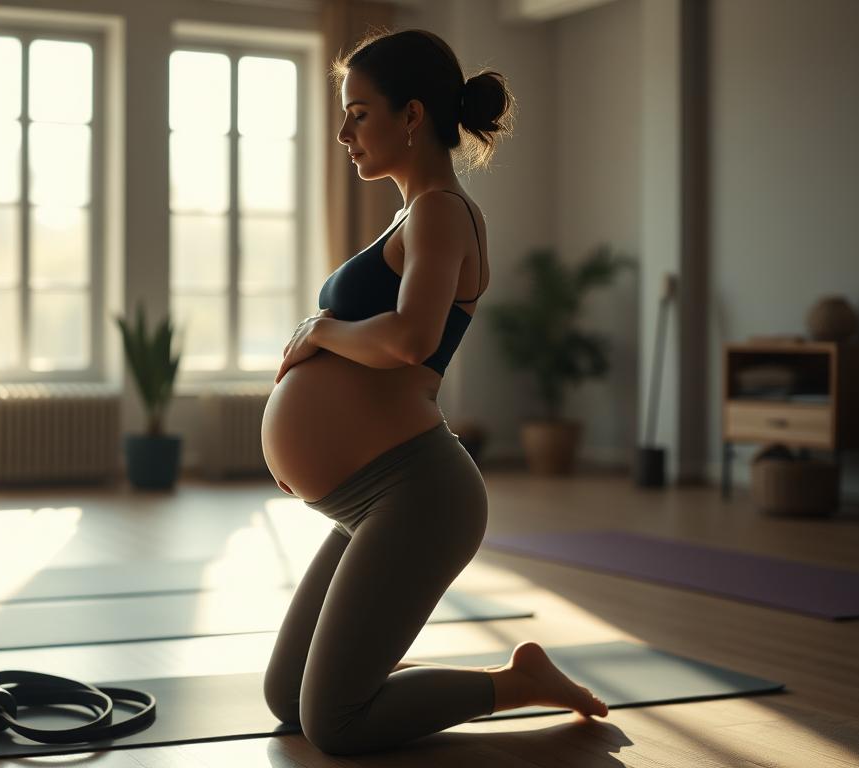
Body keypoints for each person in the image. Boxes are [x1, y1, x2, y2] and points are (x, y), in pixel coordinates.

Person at [259, 29, 608, 756]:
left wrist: (322, 331)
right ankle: (357, 669)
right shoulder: (410, 214)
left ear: (411, 116)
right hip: (364, 500)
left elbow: (412, 339)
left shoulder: (443, 212)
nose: (343, 131)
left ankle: (517, 684)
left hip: (417, 496)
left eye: (358, 111)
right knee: (285, 699)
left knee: (334, 726)